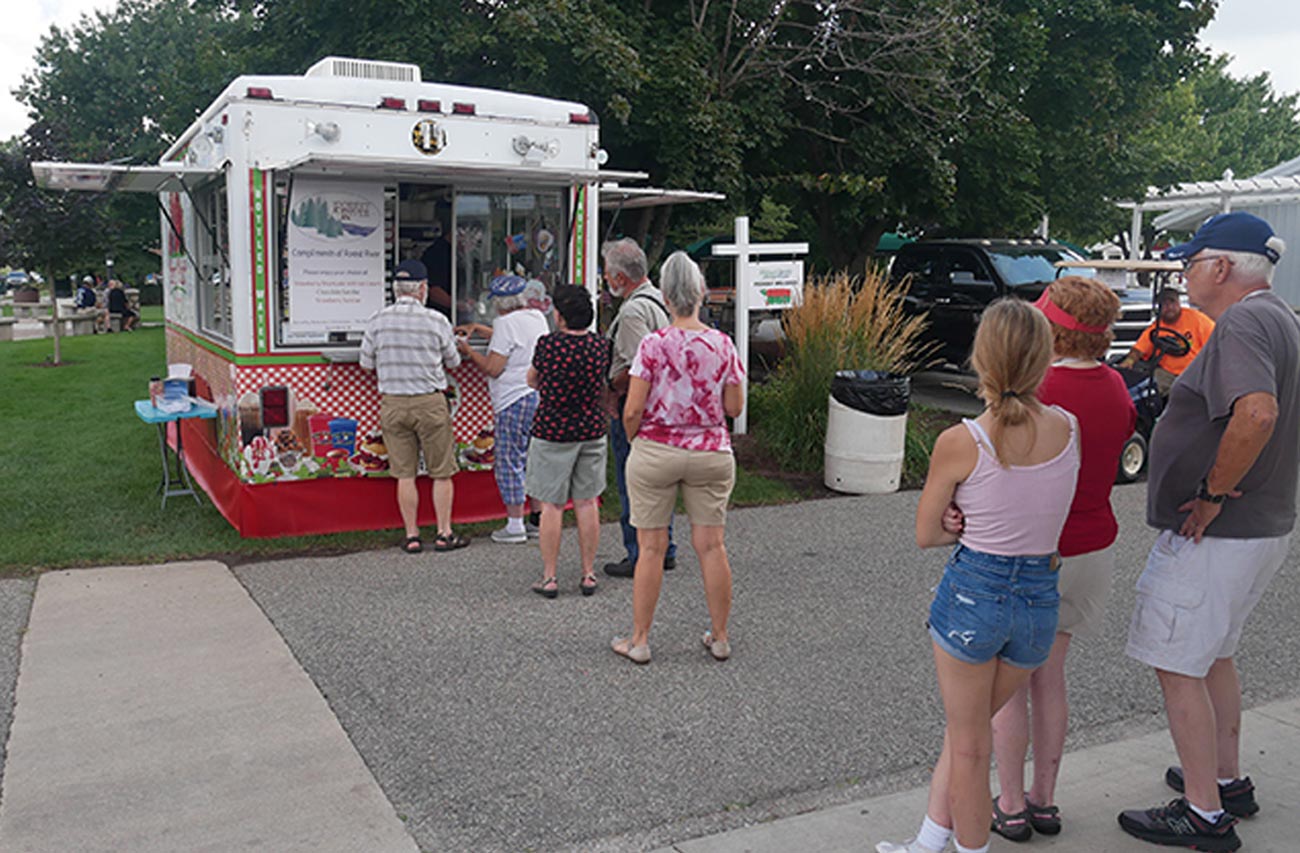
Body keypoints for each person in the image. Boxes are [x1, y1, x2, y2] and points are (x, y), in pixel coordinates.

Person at [1118, 212, 1295, 852]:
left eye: (1190, 263)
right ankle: (1225, 780)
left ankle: (1202, 813)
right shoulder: (1281, 317)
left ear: (1221, 268)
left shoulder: (1244, 322)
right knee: (1215, 652)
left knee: (1175, 661)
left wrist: (1212, 494)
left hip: (1219, 532)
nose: (1184, 274)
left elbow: (1258, 411)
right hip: (1259, 528)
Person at [878, 298, 1079, 853]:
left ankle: (965, 847)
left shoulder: (962, 441)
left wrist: (957, 522)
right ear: (1044, 360)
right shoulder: (1069, 429)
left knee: (970, 745)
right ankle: (928, 840)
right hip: (1038, 600)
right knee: (966, 732)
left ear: (980, 358)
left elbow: (927, 534)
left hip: (976, 595)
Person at [977, 278, 1136, 841]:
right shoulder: (1117, 387)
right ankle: (1045, 797)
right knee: (1052, 678)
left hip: (1036, 551)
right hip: (1093, 545)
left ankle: (1012, 803)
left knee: (1008, 685)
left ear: (1057, 331)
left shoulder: (1038, 393)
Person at [609, 251, 744, 665]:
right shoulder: (722, 344)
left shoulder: (653, 344)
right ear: (701, 292)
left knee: (650, 548)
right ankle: (719, 637)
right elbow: (734, 407)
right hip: (710, 452)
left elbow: (632, 408)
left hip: (657, 449)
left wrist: (637, 442)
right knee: (712, 545)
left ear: (666, 295)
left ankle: (640, 640)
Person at [360, 259, 469, 554]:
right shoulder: (436, 321)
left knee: (404, 474)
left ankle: (411, 535)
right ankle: (444, 533)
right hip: (430, 402)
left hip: (393, 403)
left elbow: (366, 363)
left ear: (395, 289)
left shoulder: (377, 320)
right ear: (422, 288)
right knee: (441, 472)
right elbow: (454, 362)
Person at [524, 284, 609, 597]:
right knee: (587, 502)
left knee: (552, 504)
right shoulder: (601, 345)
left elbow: (531, 379)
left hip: (553, 430)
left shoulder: (548, 345)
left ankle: (549, 577)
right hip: (591, 429)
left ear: (559, 316)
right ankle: (588, 574)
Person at [601, 237, 677, 578]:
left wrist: (610, 387)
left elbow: (636, 369)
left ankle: (639, 552)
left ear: (620, 277)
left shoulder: (632, 312)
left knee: (634, 480)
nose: (605, 280)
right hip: (664, 405)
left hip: (636, 408)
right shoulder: (661, 300)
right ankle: (665, 548)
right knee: (658, 482)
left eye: (607, 273)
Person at [456, 275, 549, 544]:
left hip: (511, 398)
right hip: (536, 396)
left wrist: (467, 350)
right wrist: (480, 328)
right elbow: (516, 338)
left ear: (498, 302)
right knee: (534, 459)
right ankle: (536, 519)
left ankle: (514, 524)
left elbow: (493, 368)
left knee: (510, 460)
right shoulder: (536, 317)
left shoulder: (504, 323)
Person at [1118, 286, 1215, 395]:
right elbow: (1139, 349)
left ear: (1178, 303)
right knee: (1149, 390)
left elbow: (1215, 345)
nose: (1169, 307)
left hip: (1194, 372)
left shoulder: (1198, 320)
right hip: (1166, 373)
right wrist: (1129, 361)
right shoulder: (1156, 328)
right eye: (1164, 304)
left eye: (1172, 302)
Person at [419, 217, 454, 320]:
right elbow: (434, 290)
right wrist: (456, 304)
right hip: (439, 313)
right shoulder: (436, 254)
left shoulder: (457, 253)